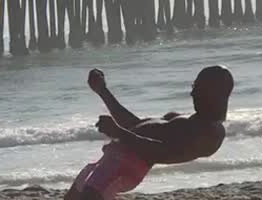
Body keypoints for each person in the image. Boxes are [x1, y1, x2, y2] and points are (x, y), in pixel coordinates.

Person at [65, 66, 234, 200]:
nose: (192, 93)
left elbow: (163, 153)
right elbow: (135, 125)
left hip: (123, 168)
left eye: (197, 88)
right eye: (193, 86)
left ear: (214, 93)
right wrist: (102, 91)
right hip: (108, 162)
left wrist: (118, 132)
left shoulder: (211, 133)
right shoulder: (183, 120)